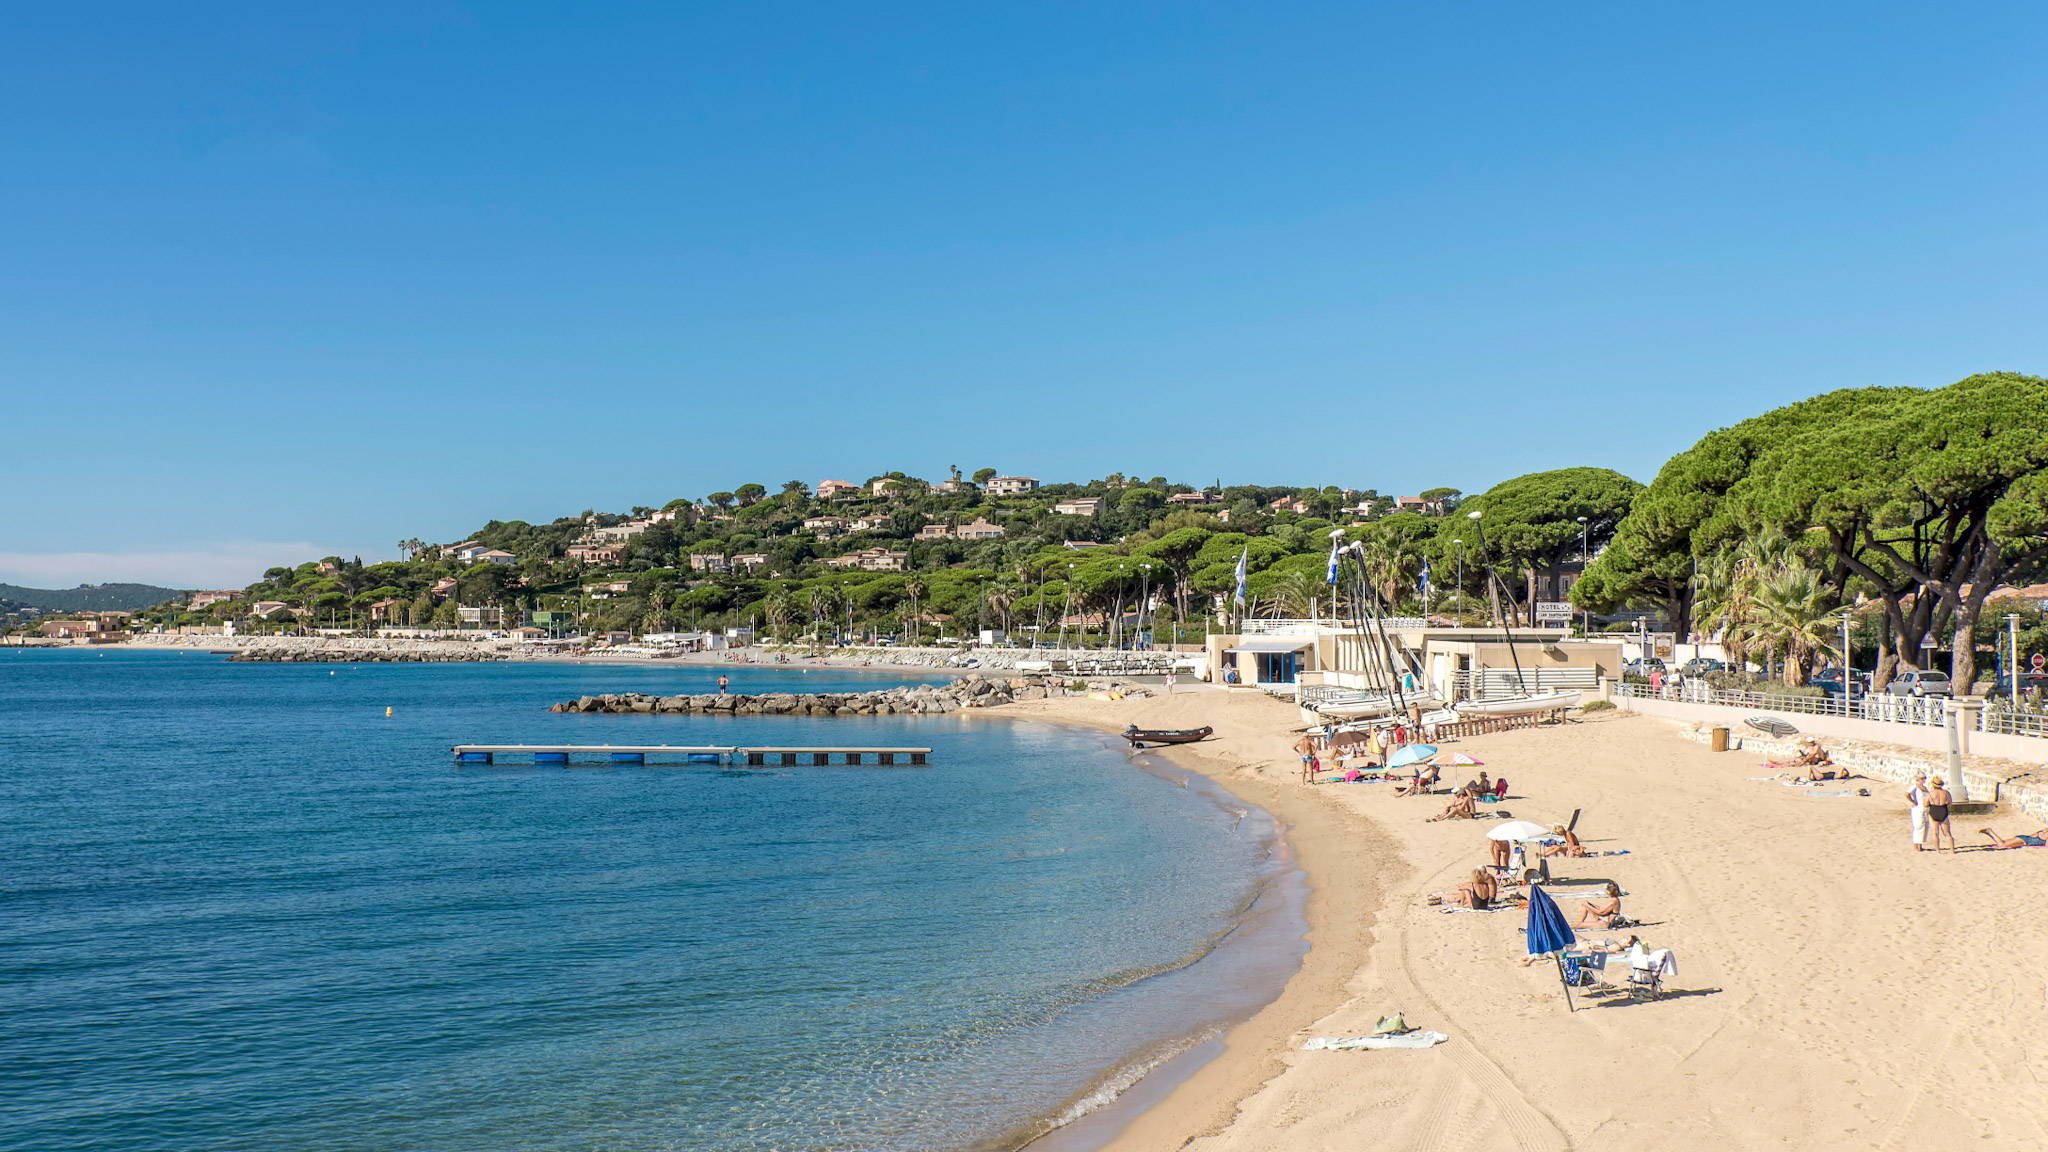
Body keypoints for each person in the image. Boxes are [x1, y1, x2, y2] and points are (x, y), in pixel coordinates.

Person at [1924, 777, 1955, 852]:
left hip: (1934, 810)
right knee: (1947, 833)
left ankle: (1938, 850)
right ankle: (1952, 850)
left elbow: (1925, 804)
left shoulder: (1930, 793)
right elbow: (1950, 802)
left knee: (1935, 833)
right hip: (1943, 810)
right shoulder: (1946, 793)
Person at [1907, 774, 1929, 851]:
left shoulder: (1924, 788)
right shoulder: (1915, 786)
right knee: (1918, 825)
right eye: (1922, 778)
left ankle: (1920, 844)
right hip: (1918, 808)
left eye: (1924, 778)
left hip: (1925, 809)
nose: (1924, 780)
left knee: (1924, 826)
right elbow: (1907, 794)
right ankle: (1916, 845)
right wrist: (1913, 801)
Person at [1979, 827, 2048, 849]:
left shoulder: (2041, 832)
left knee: (2004, 844)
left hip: (2023, 840)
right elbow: (2046, 845)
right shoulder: (2045, 836)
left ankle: (1990, 832)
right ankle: (1990, 831)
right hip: (2023, 840)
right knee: (2002, 844)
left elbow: (2030, 836)